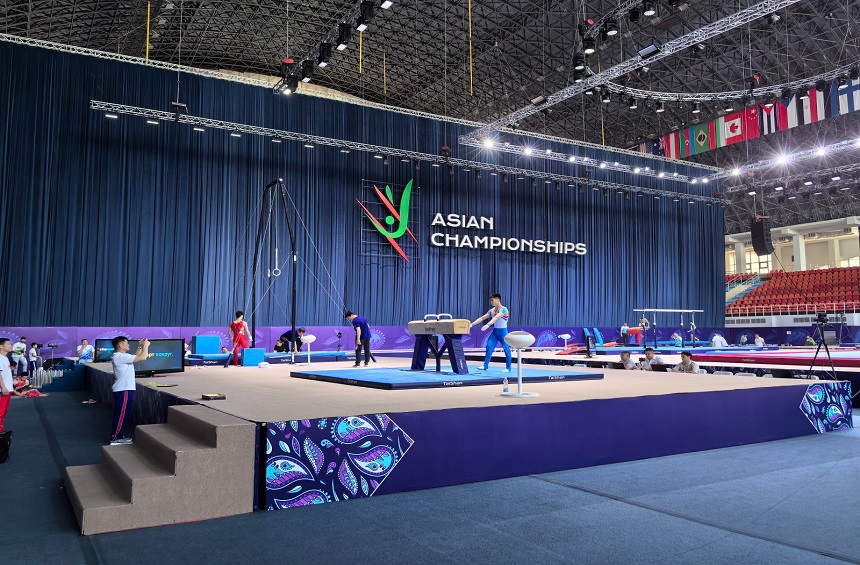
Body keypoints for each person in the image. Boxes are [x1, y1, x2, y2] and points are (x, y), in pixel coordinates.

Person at [109, 336, 150, 445]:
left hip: (125, 389)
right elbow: (142, 358)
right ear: (120, 346)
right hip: (124, 389)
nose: (128, 345)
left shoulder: (121, 356)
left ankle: (119, 435)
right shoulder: (120, 357)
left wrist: (140, 346)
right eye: (126, 343)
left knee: (123, 414)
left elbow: (135, 356)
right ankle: (116, 437)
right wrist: (146, 346)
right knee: (122, 414)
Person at [471, 293, 512, 372]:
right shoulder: (491, 310)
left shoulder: (504, 309)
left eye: (492, 300)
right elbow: (482, 318)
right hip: (495, 332)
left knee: (506, 349)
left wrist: (488, 325)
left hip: (503, 332)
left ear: (497, 299)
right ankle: (485, 366)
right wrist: (471, 324)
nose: (491, 302)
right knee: (489, 347)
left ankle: (508, 368)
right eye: (490, 300)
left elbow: (496, 317)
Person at [0, 338, 15, 441]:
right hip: (3, 389)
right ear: (1, 346)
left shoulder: (5, 358)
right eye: (8, 344)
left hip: (8, 389)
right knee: (0, 412)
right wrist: (3, 387)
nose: (10, 346)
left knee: (4, 412)